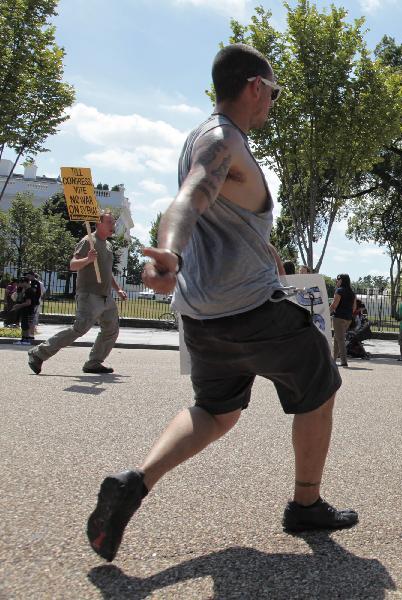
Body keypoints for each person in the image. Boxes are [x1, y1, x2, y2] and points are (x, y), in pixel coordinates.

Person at [83, 44, 356, 563]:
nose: (273, 102)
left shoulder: (198, 137)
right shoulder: (222, 139)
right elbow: (189, 199)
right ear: (255, 86)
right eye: (272, 92)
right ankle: (306, 503)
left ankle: (135, 483)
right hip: (251, 309)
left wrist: (264, 248)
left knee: (215, 411)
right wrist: (170, 253)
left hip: (203, 315)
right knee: (319, 385)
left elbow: (216, 213)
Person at [27, 212, 128, 375]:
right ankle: (38, 353)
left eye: (114, 222)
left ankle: (94, 363)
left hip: (106, 297)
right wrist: (87, 259)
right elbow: (73, 265)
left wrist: (118, 289)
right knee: (79, 329)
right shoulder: (88, 241)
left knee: (111, 329)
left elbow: (107, 272)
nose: (113, 225)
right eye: (110, 222)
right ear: (99, 224)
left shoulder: (108, 245)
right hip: (89, 295)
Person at [329, 274, 355, 368]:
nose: (336, 281)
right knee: (337, 338)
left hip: (338, 317)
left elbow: (334, 305)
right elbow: (354, 308)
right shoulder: (352, 292)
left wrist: (326, 313)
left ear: (342, 280)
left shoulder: (339, 290)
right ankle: (333, 359)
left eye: (338, 279)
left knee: (340, 340)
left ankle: (344, 361)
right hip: (348, 318)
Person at [11, 277, 39, 345]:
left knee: (25, 326)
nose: (19, 284)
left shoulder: (28, 291)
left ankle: (25, 341)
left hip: (28, 311)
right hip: (26, 310)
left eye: (21, 283)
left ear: (25, 282)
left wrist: (18, 306)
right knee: (24, 325)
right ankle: (24, 339)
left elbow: (28, 303)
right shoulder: (27, 290)